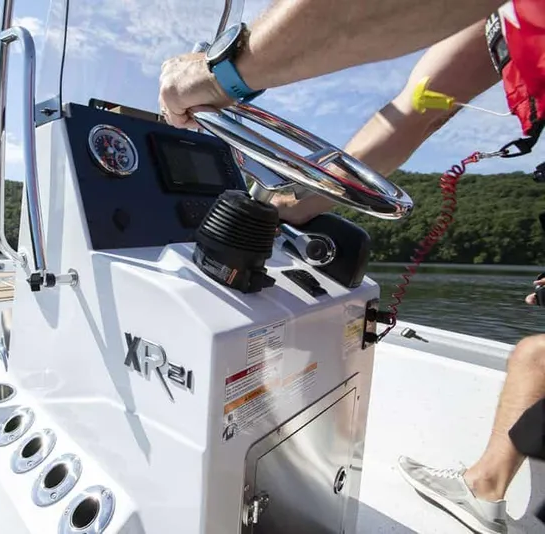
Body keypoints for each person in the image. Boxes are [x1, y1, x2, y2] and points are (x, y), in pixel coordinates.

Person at [158, 1, 544, 533]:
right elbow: (418, 106)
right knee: (534, 357)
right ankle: (484, 487)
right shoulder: (498, 26)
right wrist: (298, 204)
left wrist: (218, 74)